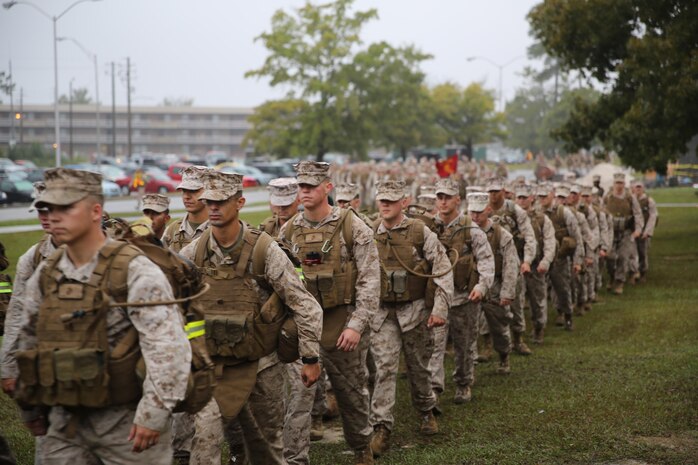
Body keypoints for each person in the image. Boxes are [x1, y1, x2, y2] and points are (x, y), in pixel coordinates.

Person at [14, 168, 191, 464]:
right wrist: (30, 407)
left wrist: (153, 415)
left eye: (66, 208)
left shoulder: (135, 270)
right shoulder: (47, 272)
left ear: (96, 211)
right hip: (63, 422)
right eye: (48, 208)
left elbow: (167, 346)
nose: (54, 216)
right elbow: (29, 338)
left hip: (126, 424)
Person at [180, 170, 322, 465]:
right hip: (214, 365)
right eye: (210, 202)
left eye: (222, 201)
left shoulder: (263, 249)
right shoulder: (194, 252)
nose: (214, 208)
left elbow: (304, 304)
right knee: (204, 443)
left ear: (240, 202)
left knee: (267, 446)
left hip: (261, 365)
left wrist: (310, 358)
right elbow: (178, 307)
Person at [280, 161, 380, 465]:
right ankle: (295, 458)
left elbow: (371, 280)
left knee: (351, 395)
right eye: (301, 186)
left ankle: (362, 448)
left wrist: (357, 325)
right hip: (304, 327)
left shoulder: (353, 226)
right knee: (298, 395)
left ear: (328, 187)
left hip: (342, 322)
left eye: (311, 186)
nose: (305, 191)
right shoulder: (289, 230)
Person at [369, 180, 453, 456]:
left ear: (404, 203)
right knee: (384, 367)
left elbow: (442, 268)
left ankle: (426, 409)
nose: (385, 205)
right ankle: (381, 427)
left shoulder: (420, 232)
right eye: (382, 200)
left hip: (414, 312)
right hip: (383, 314)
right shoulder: (369, 233)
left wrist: (440, 309)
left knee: (418, 368)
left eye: (391, 201)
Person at [428, 179, 494, 404]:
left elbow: (486, 259)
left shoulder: (470, 228)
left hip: (464, 297)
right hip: (437, 299)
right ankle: (434, 388)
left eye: (447, 197)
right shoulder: (427, 227)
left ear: (458, 199)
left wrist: (481, 286)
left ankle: (464, 382)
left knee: (464, 345)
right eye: (439, 197)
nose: (443, 202)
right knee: (434, 345)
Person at [469, 192, 520, 374]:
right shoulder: (464, 232)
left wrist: (507, 293)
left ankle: (504, 356)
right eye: (472, 212)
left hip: (495, 286)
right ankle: (470, 364)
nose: (475, 216)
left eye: (479, 212)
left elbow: (510, 265)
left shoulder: (501, 235)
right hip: (471, 284)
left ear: (488, 210)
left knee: (499, 326)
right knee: (469, 327)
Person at [486, 177, 537, 356]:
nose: (493, 195)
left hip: (512, 263)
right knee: (488, 306)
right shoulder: (483, 209)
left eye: (496, 191)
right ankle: (487, 343)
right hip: (489, 265)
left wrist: (527, 261)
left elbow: (529, 236)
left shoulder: (514, 210)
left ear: (503, 191)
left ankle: (518, 339)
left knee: (516, 303)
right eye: (490, 191)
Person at [514, 185, 556, 344]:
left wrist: (545, 261)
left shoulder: (541, 218)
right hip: (516, 264)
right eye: (519, 197)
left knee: (537, 299)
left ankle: (539, 328)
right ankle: (517, 334)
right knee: (516, 300)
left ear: (532, 198)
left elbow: (549, 241)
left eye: (524, 197)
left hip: (536, 265)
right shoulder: (512, 218)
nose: (521, 201)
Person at [538, 184, 583, 330]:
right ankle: (540, 324)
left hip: (559, 259)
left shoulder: (564, 213)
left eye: (545, 196)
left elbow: (576, 238)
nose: (542, 199)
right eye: (540, 196)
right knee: (538, 292)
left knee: (562, 289)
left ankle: (568, 315)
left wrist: (577, 261)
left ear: (552, 195)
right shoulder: (536, 213)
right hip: (541, 258)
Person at [604, 173, 644, 294]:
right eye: (617, 183)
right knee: (609, 257)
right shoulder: (608, 197)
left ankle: (619, 282)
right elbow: (601, 213)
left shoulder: (630, 198)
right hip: (610, 231)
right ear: (613, 183)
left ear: (624, 184)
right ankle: (612, 276)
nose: (619, 185)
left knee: (622, 256)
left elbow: (638, 214)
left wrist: (638, 229)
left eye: (621, 183)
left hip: (625, 231)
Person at [162, 166, 210, 253]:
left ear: (209, 191)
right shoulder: (172, 231)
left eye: (193, 191)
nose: (186, 197)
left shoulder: (219, 230)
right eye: (184, 191)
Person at [631, 180, 657, 283]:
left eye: (639, 187)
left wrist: (648, 231)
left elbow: (653, 216)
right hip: (632, 230)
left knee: (642, 252)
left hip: (644, 231)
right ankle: (633, 272)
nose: (638, 189)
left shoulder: (649, 201)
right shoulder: (630, 199)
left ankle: (643, 272)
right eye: (636, 187)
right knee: (631, 253)